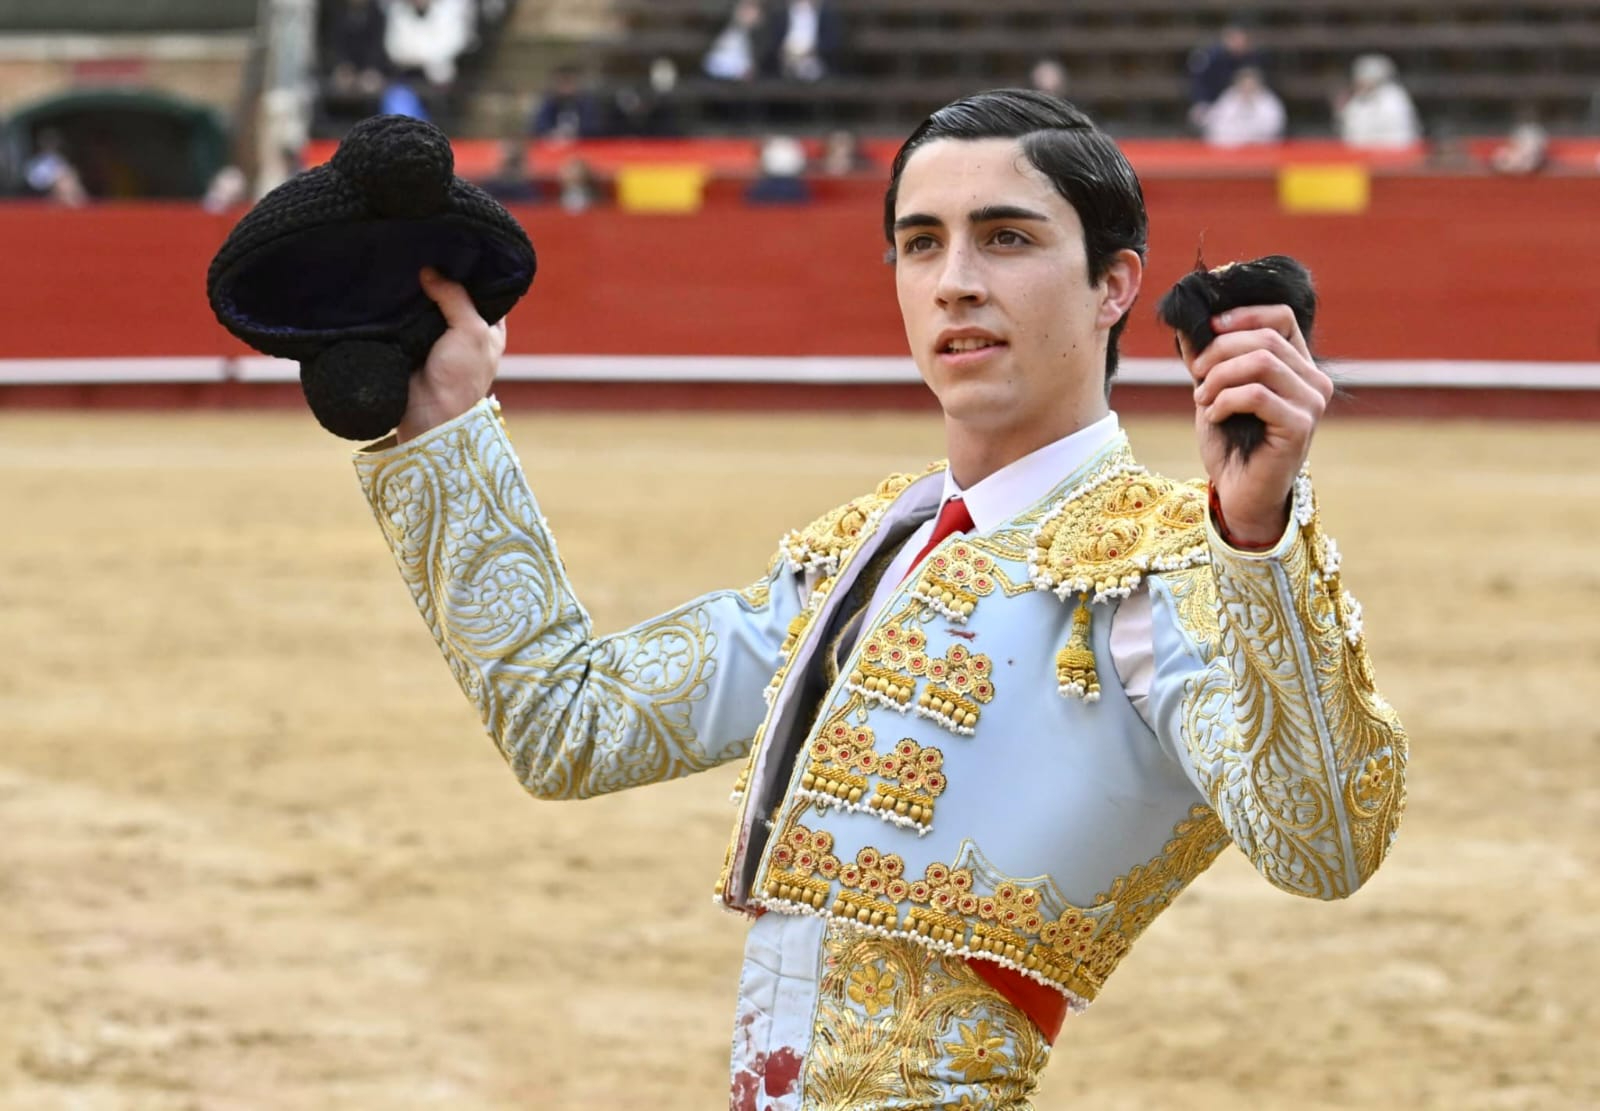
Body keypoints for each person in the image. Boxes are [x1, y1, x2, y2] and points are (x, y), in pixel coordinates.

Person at [351, 89, 1407, 1106]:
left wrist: (1261, 540)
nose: (953, 281)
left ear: (1114, 284)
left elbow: (1321, 842)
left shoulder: (1163, 567)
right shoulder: (867, 555)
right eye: (920, 242)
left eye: (1006, 238)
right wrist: (446, 426)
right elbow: (569, 724)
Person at [1187, 23, 1264, 130]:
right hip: (1214, 102)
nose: (1239, 43)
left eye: (1242, 40)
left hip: (1243, 100)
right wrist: (1201, 101)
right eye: (1235, 39)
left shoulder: (1252, 58)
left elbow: (1257, 82)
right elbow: (1198, 82)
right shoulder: (1211, 58)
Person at [1337, 54, 1421, 149]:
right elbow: (1350, 131)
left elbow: (1400, 134)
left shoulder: (1394, 98)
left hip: (1391, 154)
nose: (1360, 81)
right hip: (1359, 155)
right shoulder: (1357, 99)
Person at [1201, 66, 1286, 147]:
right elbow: (1216, 123)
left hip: (1261, 147)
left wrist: (1250, 137)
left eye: (1251, 84)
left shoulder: (1269, 100)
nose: (1247, 87)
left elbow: (1274, 126)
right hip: (1232, 147)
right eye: (1244, 84)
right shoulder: (1228, 97)